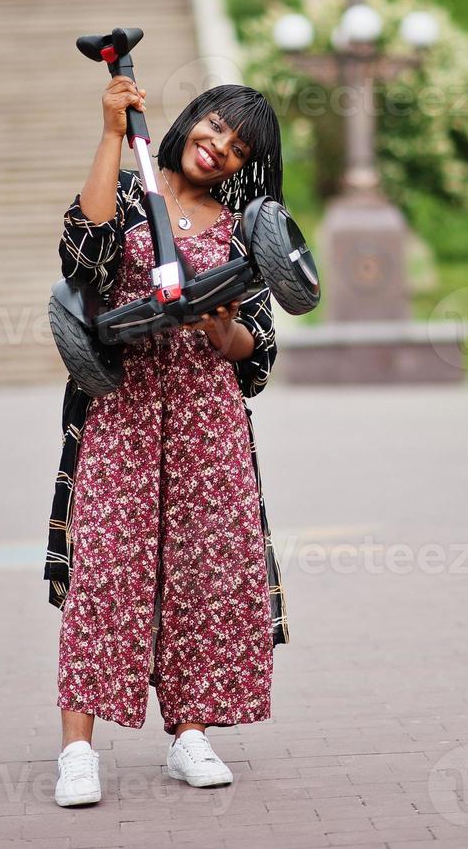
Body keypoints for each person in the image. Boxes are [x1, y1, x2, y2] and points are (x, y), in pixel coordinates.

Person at [44, 76, 292, 808]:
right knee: (105, 570)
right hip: (120, 408)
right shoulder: (127, 194)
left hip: (204, 418)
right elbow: (80, 254)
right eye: (214, 128)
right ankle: (78, 751)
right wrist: (111, 131)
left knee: (206, 573)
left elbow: (257, 352)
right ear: (189, 124)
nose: (218, 148)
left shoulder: (245, 228)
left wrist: (221, 327)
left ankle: (189, 734)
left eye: (237, 147)